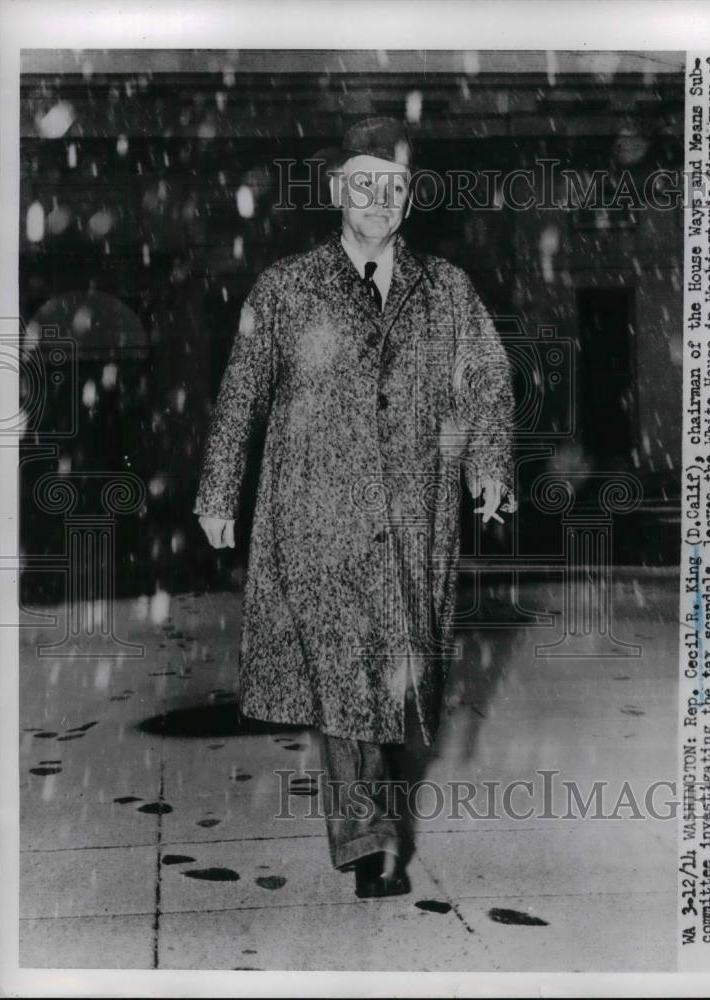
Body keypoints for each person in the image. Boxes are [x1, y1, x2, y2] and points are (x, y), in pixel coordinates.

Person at [195, 117, 516, 898]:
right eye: (363, 183)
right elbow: (241, 391)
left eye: (393, 185)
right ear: (337, 189)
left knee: (400, 681)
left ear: (410, 196)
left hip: (413, 515)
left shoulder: (445, 289)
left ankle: (376, 801)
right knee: (345, 677)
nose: (378, 199)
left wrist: (488, 464)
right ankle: (367, 842)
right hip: (317, 513)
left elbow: (485, 378)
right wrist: (218, 489)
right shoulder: (285, 287)